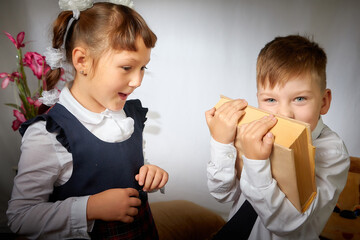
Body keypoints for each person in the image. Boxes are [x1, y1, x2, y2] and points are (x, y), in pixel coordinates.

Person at [7, 1, 168, 239]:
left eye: (143, 68)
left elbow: (127, 166)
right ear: (82, 61)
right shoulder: (49, 134)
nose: (138, 81)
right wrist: (90, 208)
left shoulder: (128, 116)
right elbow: (20, 218)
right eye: (126, 67)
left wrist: (151, 173)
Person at [205, 35, 350, 239]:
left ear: (324, 102)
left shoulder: (331, 152)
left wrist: (256, 164)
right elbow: (223, 194)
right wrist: (221, 143)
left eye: (300, 99)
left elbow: (288, 224)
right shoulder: (252, 131)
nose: (284, 114)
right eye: (271, 99)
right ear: (258, 99)